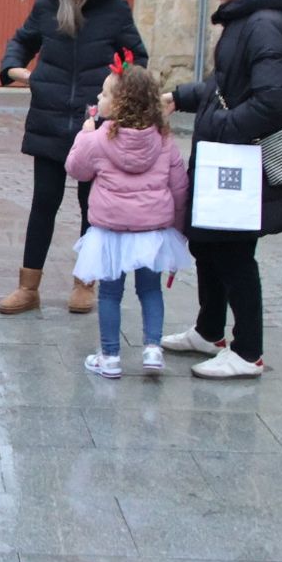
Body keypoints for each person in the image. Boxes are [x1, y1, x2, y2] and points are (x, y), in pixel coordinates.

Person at [161, 0, 282, 380]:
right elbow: (224, 85)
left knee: (235, 253)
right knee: (208, 244)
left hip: (241, 161)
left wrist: (218, 127)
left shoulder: (262, 24)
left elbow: (275, 102)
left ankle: (248, 351)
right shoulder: (246, 20)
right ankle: (209, 331)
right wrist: (180, 98)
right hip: (226, 157)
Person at [0, 0, 147, 316]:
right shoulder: (47, 5)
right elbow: (22, 41)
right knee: (43, 204)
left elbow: (136, 56)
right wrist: (14, 67)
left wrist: (119, 83)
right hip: (49, 118)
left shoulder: (114, 8)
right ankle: (27, 288)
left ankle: (85, 283)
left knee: (91, 206)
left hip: (96, 126)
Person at [65, 62, 191, 379]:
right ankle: (152, 349)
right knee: (150, 291)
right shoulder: (164, 141)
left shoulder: (98, 139)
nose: (99, 95)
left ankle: (110, 356)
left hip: (110, 231)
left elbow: (75, 169)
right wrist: (178, 229)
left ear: (118, 103)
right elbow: (179, 187)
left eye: (105, 92)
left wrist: (84, 134)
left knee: (110, 293)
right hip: (152, 231)